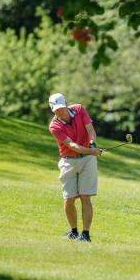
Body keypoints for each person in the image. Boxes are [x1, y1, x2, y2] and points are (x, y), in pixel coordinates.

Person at [48, 93, 103, 242]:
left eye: (61, 108)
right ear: (52, 110)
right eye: (56, 110)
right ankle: (73, 231)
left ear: (66, 103)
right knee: (69, 199)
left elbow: (91, 130)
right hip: (68, 161)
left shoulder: (79, 109)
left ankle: (85, 234)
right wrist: (92, 151)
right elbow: (72, 146)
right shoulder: (54, 126)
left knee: (86, 197)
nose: (60, 112)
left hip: (87, 160)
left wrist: (92, 143)